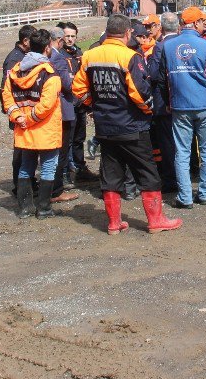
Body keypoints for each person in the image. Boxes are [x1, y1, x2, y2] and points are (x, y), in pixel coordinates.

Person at [72, 14, 182, 234]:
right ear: (128, 33)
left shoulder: (89, 55)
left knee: (110, 174)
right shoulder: (130, 56)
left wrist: (94, 107)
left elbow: (78, 89)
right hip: (132, 126)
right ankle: (156, 220)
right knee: (148, 173)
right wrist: (147, 111)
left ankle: (114, 223)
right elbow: (141, 95)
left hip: (105, 127)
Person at [154, 6, 206, 209]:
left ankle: (185, 196)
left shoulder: (167, 47)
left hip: (180, 107)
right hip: (205, 106)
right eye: (203, 21)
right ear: (194, 23)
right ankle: (204, 193)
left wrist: (169, 103)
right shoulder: (205, 45)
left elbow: (161, 80)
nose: (205, 23)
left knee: (182, 153)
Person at [1, 29, 63, 219]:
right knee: (48, 166)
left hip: (24, 130)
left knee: (26, 166)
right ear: (47, 48)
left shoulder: (15, 71)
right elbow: (46, 105)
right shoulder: (50, 74)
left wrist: (18, 117)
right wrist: (30, 119)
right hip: (45, 129)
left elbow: (7, 97)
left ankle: (24, 207)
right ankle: (44, 208)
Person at [59, 21, 99, 185]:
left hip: (81, 103)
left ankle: (80, 167)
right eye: (67, 36)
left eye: (72, 36)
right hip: (67, 103)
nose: (70, 39)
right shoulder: (58, 55)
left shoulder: (80, 54)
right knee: (66, 140)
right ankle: (66, 172)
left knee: (79, 138)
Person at [0, 24, 37, 196]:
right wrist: (13, 113)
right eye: (33, 39)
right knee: (21, 151)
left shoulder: (24, 56)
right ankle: (19, 186)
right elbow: (7, 88)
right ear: (25, 41)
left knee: (28, 149)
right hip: (19, 111)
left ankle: (28, 182)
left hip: (24, 109)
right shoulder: (14, 60)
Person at [147, 12, 181, 194]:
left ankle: (171, 179)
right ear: (178, 26)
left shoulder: (160, 47)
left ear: (161, 27)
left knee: (168, 143)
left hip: (163, 101)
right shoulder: (184, 43)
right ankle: (186, 173)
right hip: (184, 100)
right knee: (184, 140)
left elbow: (153, 74)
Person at [46, 27, 80, 204]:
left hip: (47, 110)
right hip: (63, 109)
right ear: (59, 40)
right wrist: (72, 79)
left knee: (50, 152)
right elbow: (66, 84)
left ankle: (49, 187)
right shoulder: (57, 58)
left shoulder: (42, 56)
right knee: (62, 151)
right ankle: (56, 190)